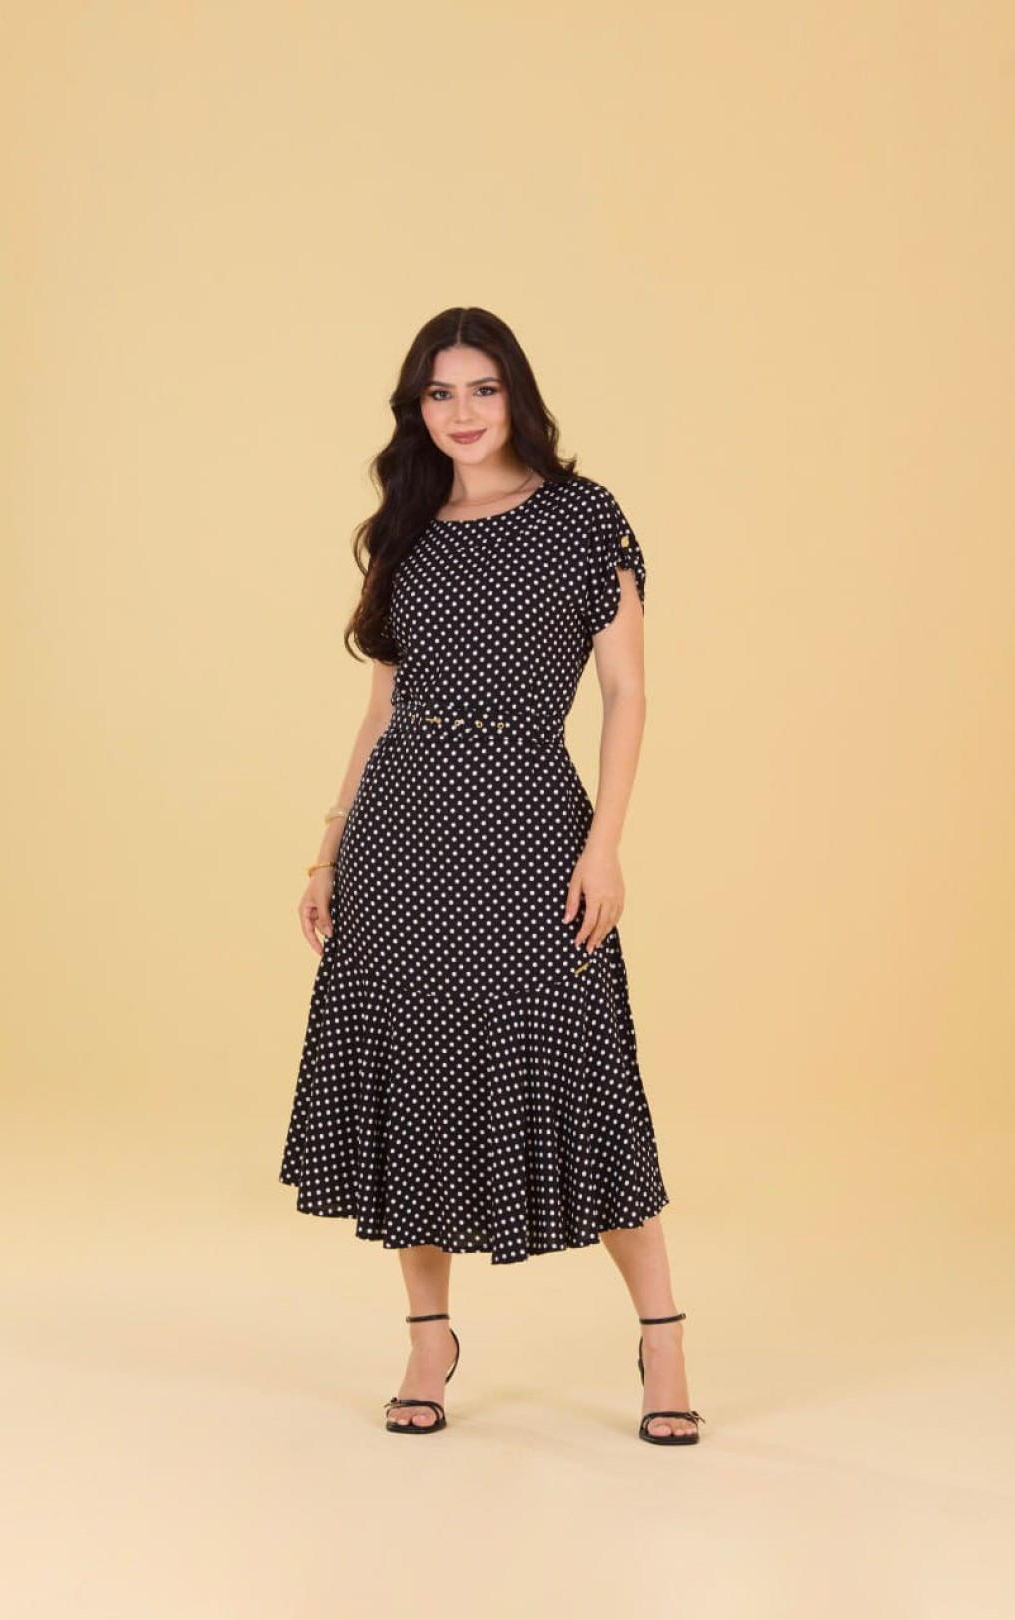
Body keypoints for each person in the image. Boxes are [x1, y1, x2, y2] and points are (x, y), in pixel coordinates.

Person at [279, 307, 705, 1446]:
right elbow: (381, 707)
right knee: (414, 1074)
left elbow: (627, 691)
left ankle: (663, 1340)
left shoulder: (583, 515)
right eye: (439, 393)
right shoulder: (407, 524)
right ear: (415, 409)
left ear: (516, 394)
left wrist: (605, 842)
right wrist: (330, 848)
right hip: (401, 835)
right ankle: (429, 1340)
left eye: (481, 388)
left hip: (530, 825)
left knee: (584, 1074)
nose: (461, 412)